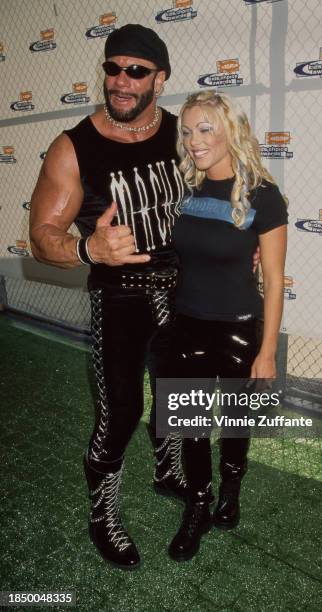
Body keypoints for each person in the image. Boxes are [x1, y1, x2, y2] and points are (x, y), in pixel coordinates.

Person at [29, 24, 189, 571]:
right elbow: (42, 238)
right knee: (121, 412)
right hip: (119, 297)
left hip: (185, 291)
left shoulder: (187, 132)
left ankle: (169, 470)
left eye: (136, 71)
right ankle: (103, 513)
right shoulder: (73, 147)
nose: (121, 82)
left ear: (160, 79)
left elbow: (227, 192)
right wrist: (89, 249)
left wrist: (249, 243)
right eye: (112, 68)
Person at [166, 90, 288, 562]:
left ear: (230, 132)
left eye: (206, 129)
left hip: (240, 328)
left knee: (235, 422)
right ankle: (197, 504)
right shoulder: (186, 190)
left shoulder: (263, 195)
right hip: (186, 325)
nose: (194, 140)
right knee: (190, 425)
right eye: (188, 130)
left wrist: (267, 351)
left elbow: (275, 281)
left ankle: (230, 489)